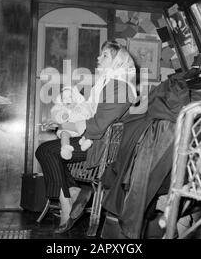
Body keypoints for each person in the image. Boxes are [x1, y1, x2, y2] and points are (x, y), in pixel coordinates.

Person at [35, 40, 137, 233]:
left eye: (105, 55)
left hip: (102, 145)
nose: (99, 58)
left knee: (46, 151)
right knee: (49, 151)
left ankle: (68, 199)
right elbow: (89, 114)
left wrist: (65, 124)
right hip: (93, 139)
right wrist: (61, 121)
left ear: (118, 61)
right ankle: (72, 192)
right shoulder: (107, 83)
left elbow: (98, 124)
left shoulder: (120, 87)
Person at [50, 86, 92, 160]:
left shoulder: (81, 106)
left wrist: (82, 112)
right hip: (68, 130)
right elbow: (54, 114)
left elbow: (88, 114)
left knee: (87, 129)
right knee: (64, 134)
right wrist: (62, 116)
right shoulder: (61, 108)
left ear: (76, 98)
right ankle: (65, 148)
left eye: (70, 97)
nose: (67, 100)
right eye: (64, 99)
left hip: (80, 128)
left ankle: (86, 142)